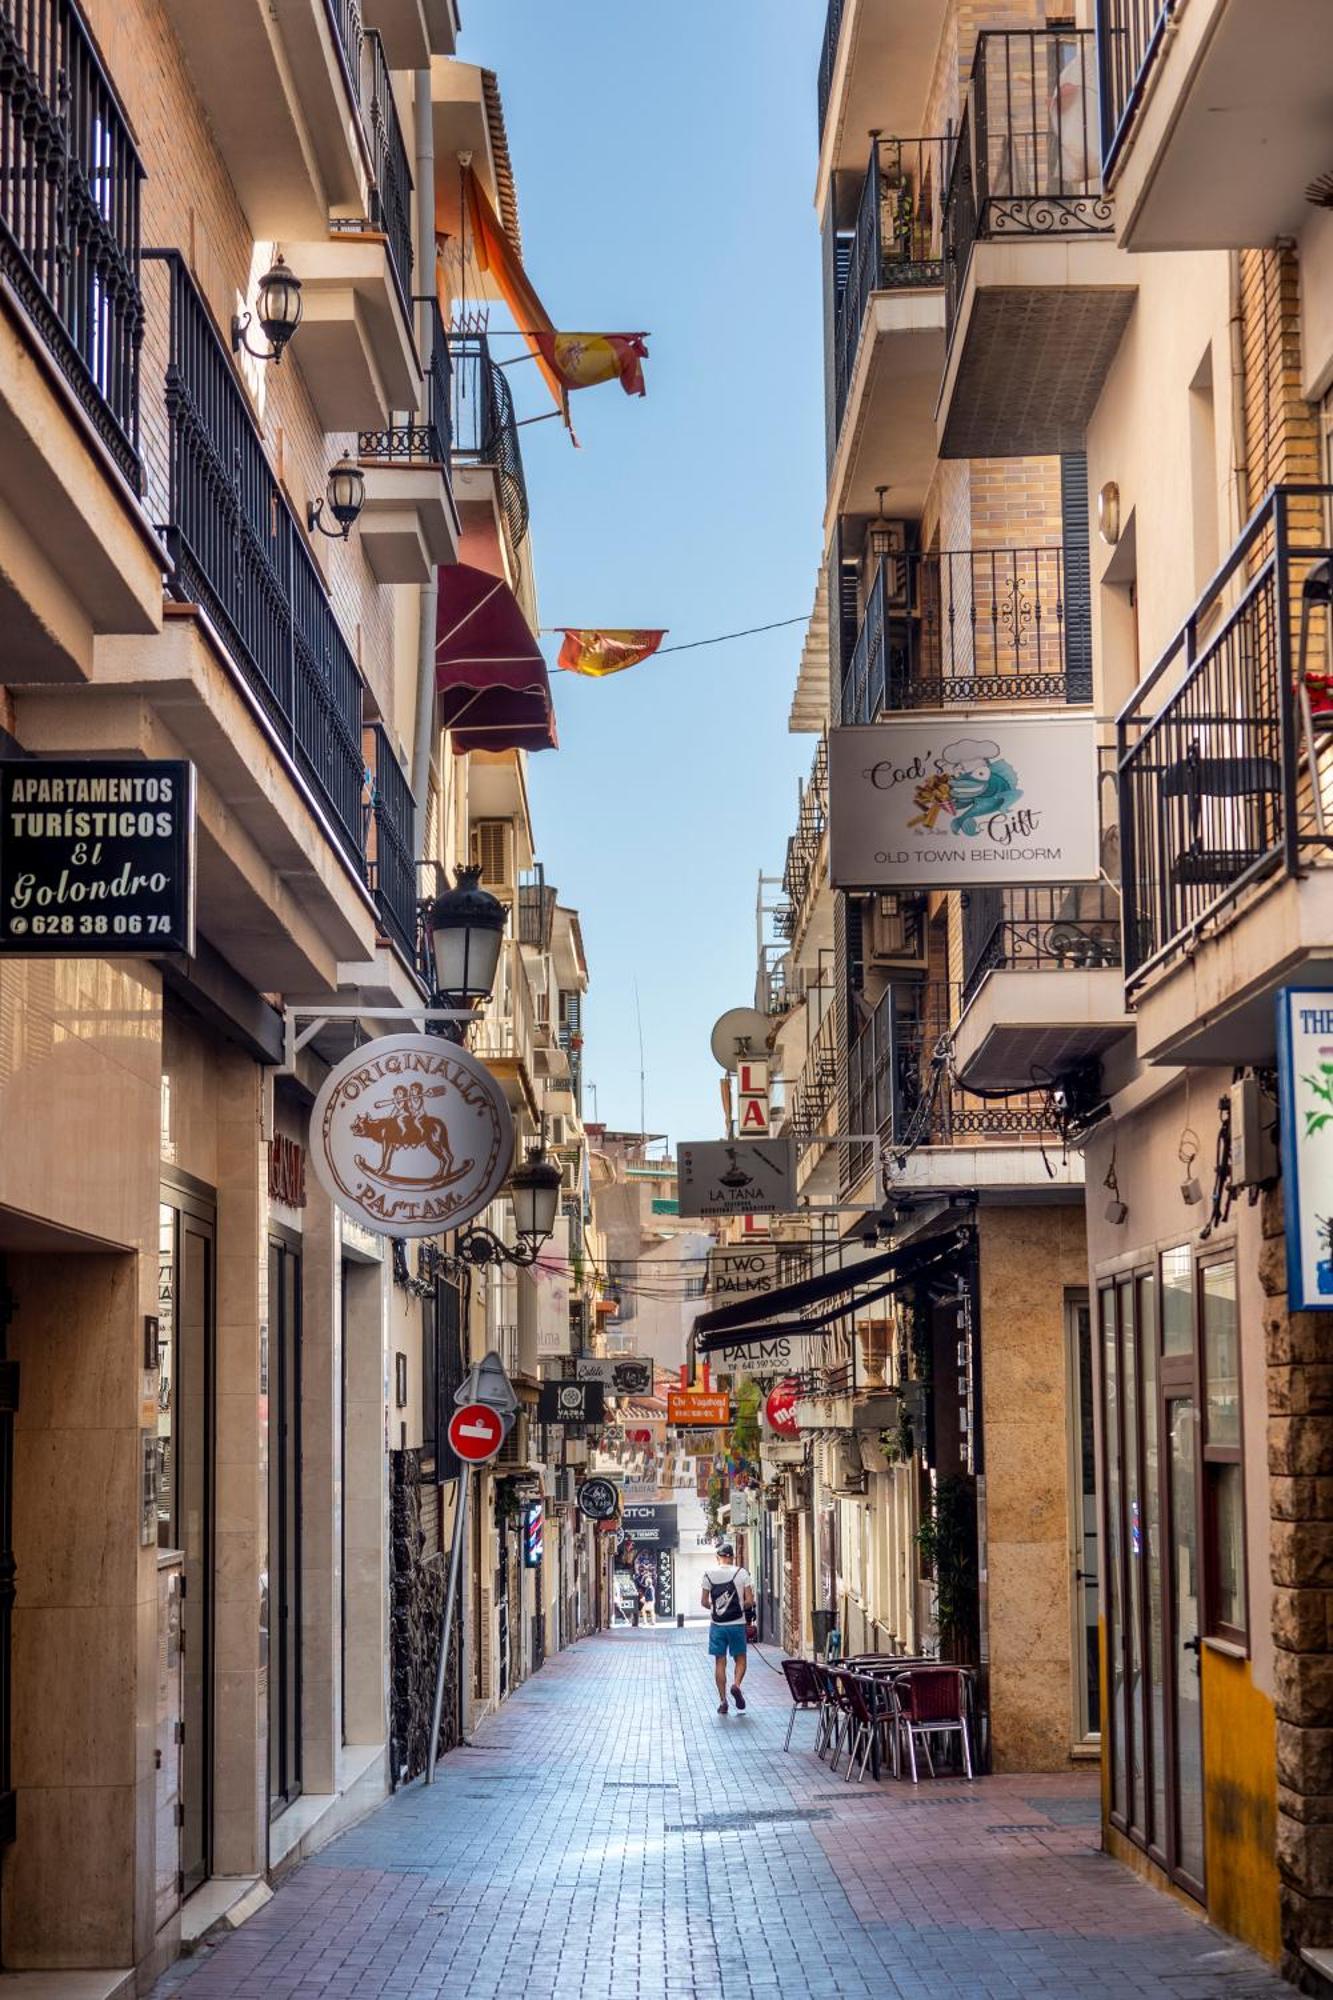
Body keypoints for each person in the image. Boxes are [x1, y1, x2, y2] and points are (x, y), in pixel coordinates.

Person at [701, 1540, 755, 1715]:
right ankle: (736, 1685)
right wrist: (738, 1608)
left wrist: (718, 1610)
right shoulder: (742, 1573)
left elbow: (703, 1602)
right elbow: (749, 1601)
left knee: (720, 1662)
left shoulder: (708, 1574)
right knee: (740, 1658)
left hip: (717, 1625)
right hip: (737, 1624)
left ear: (718, 1558)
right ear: (732, 1557)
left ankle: (723, 1701)